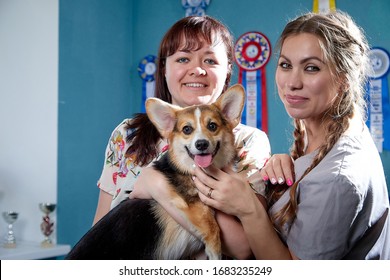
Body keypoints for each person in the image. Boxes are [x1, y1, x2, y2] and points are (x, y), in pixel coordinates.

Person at [191, 10, 390, 260]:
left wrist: (249, 210)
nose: (292, 82)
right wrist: (285, 169)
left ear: (344, 78)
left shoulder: (337, 178)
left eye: (311, 68)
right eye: (286, 65)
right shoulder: (338, 131)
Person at [94, 15, 271, 259]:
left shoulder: (250, 141)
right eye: (183, 58)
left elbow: (241, 248)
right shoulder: (128, 134)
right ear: (164, 68)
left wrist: (157, 186)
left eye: (210, 60)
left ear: (228, 68)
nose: (197, 69)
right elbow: (101, 230)